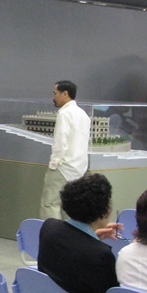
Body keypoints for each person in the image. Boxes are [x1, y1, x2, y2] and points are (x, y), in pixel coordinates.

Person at [40, 80, 90, 220]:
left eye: (55, 93)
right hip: (79, 169)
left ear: (65, 94)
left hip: (62, 168)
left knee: (50, 204)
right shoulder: (83, 115)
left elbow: (60, 142)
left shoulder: (64, 114)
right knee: (70, 208)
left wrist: (54, 164)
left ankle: (52, 239)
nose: (53, 97)